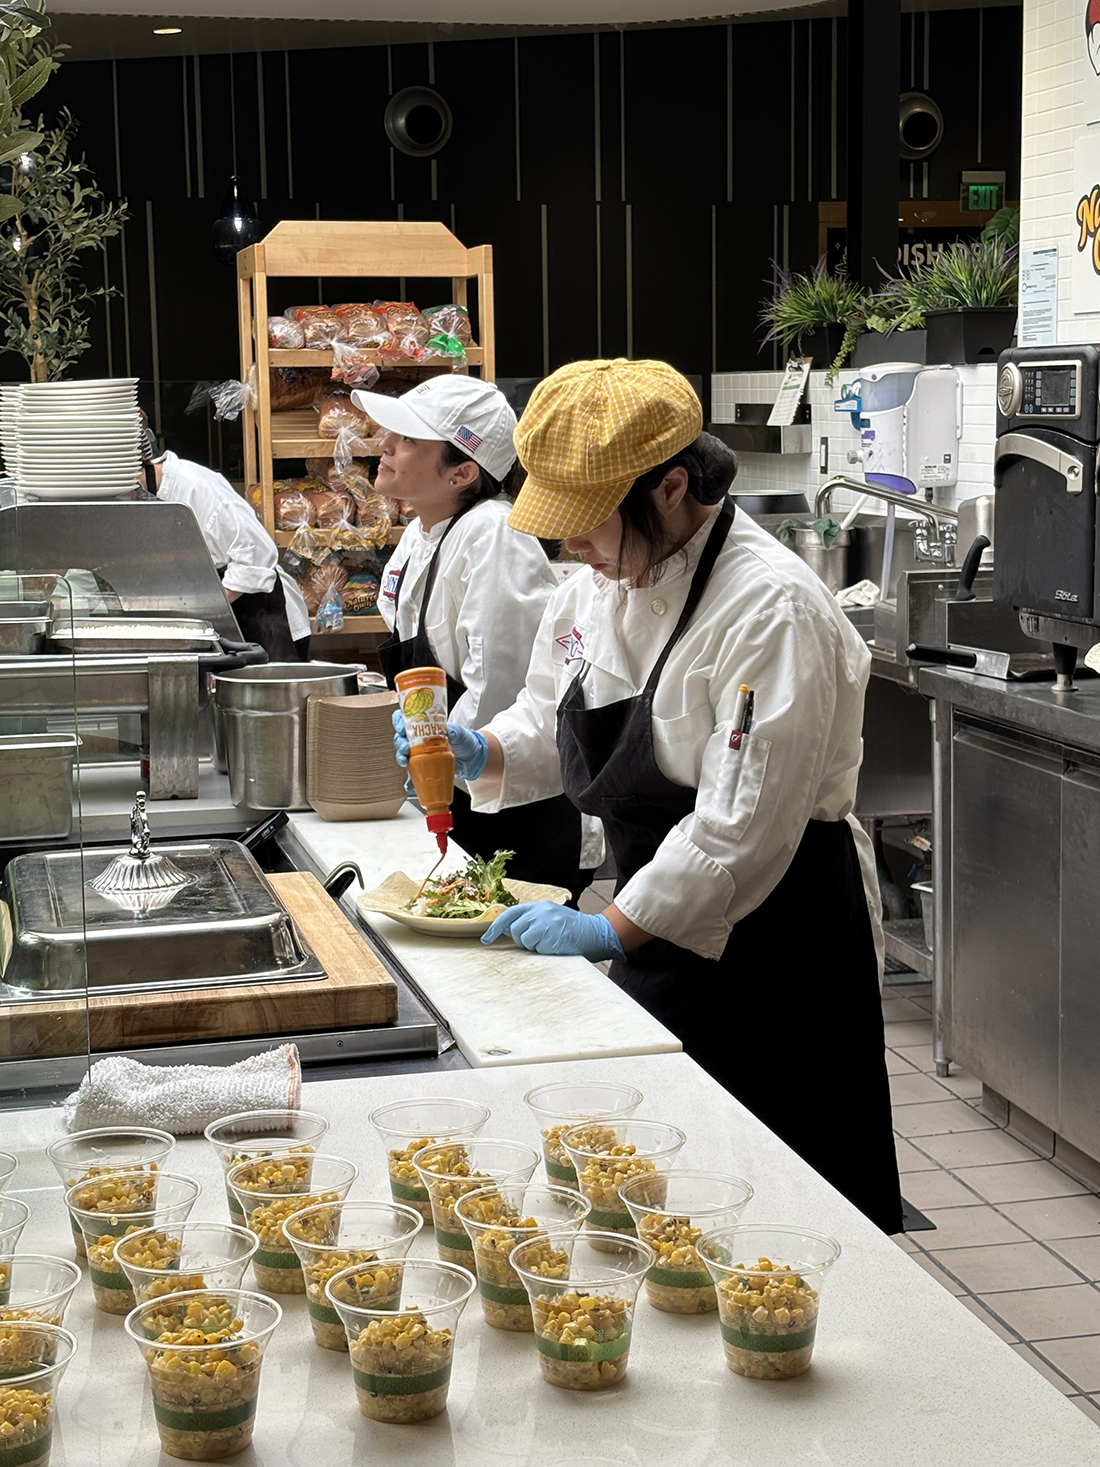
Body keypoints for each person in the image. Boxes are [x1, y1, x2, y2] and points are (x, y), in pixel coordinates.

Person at [396, 358, 902, 1235]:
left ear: (670, 487)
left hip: (776, 938)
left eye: (585, 524)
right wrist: (482, 749)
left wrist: (609, 929)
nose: (571, 549)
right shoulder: (600, 582)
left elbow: (739, 828)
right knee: (675, 1185)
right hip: (662, 918)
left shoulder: (771, 608)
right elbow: (551, 714)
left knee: (789, 1203)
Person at [353, 374, 588, 900]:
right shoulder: (422, 531)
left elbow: (502, 689)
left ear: (462, 471)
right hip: (456, 796)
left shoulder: (495, 536)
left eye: (410, 439)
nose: (385, 445)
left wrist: (448, 765)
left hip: (512, 811)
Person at [140, 430, 310, 662]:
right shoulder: (147, 498)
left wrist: (204, 613)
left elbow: (257, 554)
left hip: (266, 619)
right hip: (226, 620)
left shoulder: (197, 489)